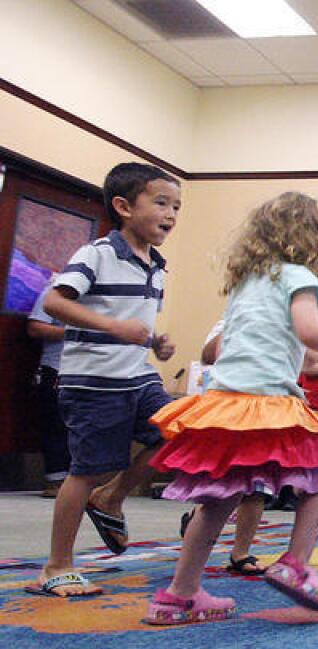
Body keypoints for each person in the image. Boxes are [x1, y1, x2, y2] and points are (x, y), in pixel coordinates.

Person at [144, 192, 318, 625]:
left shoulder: (248, 280)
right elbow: (310, 331)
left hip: (225, 401)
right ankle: (295, 564)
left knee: (218, 499)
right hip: (268, 400)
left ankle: (179, 595)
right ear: (317, 239)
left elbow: (222, 344)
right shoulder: (300, 277)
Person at [27, 163, 180, 599]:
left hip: (138, 376)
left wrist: (156, 343)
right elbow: (56, 303)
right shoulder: (96, 253)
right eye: (161, 203)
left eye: (177, 206)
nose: (171, 214)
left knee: (182, 430)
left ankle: (113, 498)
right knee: (88, 470)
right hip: (93, 382)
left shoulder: (158, 266)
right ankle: (56, 566)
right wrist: (112, 328)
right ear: (124, 206)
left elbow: (133, 323)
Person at [177, 319, 271, 576]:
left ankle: (241, 551)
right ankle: (195, 532)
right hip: (230, 412)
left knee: (256, 488)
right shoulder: (233, 319)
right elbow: (209, 355)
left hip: (265, 411)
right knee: (220, 488)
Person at [26, 282, 70, 499]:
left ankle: (74, 481)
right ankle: (55, 480)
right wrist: (76, 333)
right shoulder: (58, 289)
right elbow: (35, 327)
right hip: (57, 368)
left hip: (92, 371)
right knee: (55, 424)